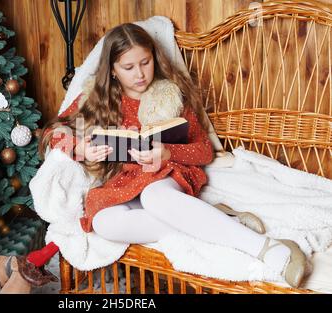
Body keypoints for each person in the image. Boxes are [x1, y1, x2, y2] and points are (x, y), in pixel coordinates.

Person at [37, 23, 307, 288]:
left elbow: (203, 150)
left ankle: (269, 249)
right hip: (122, 182)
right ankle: (217, 219)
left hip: (164, 174)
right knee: (103, 223)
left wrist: (167, 151)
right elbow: (54, 129)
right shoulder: (95, 97)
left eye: (145, 62)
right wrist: (79, 147)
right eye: (128, 67)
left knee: (155, 198)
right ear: (113, 71)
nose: (140, 74)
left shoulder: (168, 95)